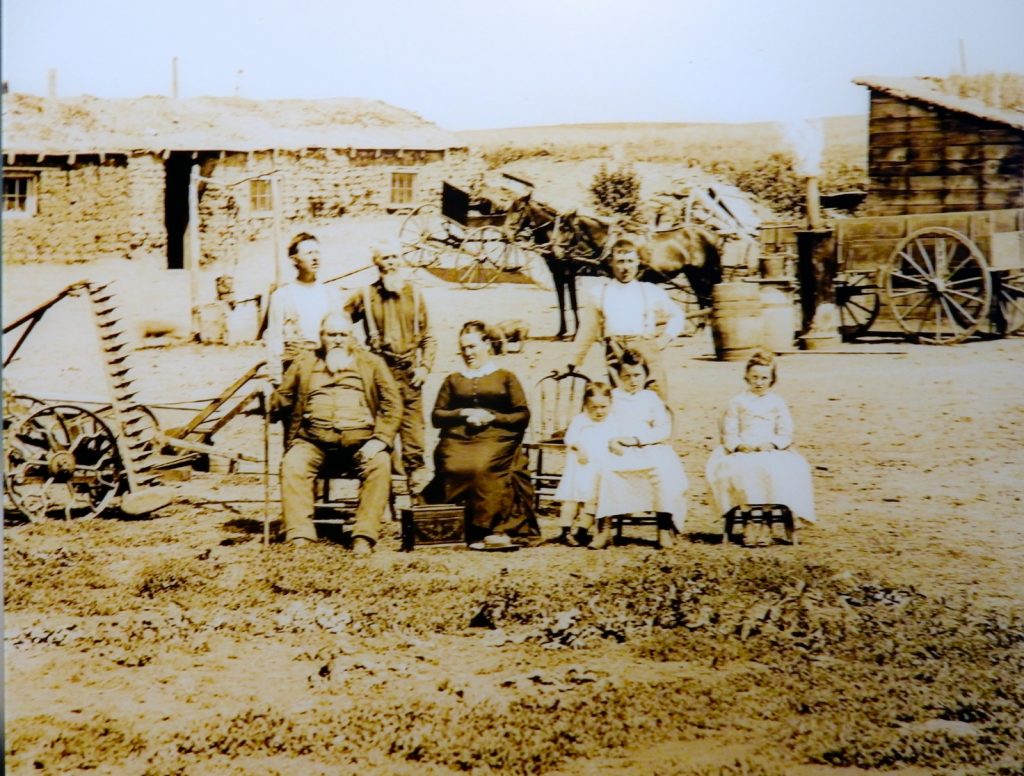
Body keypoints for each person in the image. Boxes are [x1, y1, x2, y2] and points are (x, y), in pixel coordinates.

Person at [270, 313, 402, 555]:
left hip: (360, 444)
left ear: (352, 337)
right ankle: (300, 534)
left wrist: (380, 440)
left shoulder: (371, 363)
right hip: (312, 442)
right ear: (321, 337)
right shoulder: (305, 362)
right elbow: (283, 399)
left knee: (380, 464)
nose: (338, 340)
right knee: (292, 464)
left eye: (343, 334)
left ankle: (363, 536)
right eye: (332, 334)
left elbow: (393, 404)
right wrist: (268, 391)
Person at [423, 321, 538, 547]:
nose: (468, 353)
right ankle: (458, 526)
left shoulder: (506, 377)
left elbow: (522, 415)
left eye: (472, 347)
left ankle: (490, 527)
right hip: (458, 438)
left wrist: (492, 416)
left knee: (481, 466)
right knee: (454, 465)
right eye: (463, 348)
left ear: (487, 344)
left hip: (498, 437)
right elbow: (437, 416)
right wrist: (462, 412)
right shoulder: (453, 380)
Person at [345, 242, 436, 493]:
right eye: (386, 258)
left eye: (396, 257)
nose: (392, 262)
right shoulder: (365, 295)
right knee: (379, 434)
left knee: (414, 437)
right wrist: (359, 354)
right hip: (379, 374)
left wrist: (425, 367)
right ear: (377, 263)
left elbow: (429, 336)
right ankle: (380, 496)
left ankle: (417, 501)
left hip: (410, 373)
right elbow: (339, 325)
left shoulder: (415, 294)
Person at [704, 350, 816, 536]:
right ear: (746, 377)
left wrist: (772, 444)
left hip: (770, 448)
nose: (759, 382)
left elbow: (785, 433)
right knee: (741, 469)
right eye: (754, 377)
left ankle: (766, 518)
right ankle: (749, 519)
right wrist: (738, 445)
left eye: (764, 378)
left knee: (780, 468)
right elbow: (729, 431)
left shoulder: (777, 402)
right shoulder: (737, 401)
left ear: (772, 380)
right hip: (744, 449)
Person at [590, 349, 689, 550]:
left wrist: (636, 439)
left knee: (662, 472)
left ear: (645, 375)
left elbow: (663, 429)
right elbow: (601, 422)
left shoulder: (651, 398)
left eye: (637, 375)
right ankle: (605, 529)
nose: (633, 381)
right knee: (608, 473)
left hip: (648, 446)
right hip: (617, 447)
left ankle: (663, 528)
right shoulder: (613, 397)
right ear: (619, 377)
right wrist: (613, 440)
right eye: (627, 376)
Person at [570, 237, 685, 401]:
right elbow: (586, 332)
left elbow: (677, 315)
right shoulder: (600, 293)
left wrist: (664, 340)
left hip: (647, 352)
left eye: (630, 261)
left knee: (655, 400)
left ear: (638, 262)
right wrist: (572, 363)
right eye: (621, 261)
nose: (625, 267)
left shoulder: (649, 291)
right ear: (611, 262)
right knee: (620, 403)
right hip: (615, 355)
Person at [264, 232, 345, 383]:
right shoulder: (281, 296)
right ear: (295, 260)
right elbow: (274, 338)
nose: (315, 258)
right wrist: (275, 378)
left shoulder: (332, 293)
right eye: (308, 253)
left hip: (327, 367)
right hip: (296, 370)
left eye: (317, 252)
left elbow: (342, 332)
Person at [553, 381, 616, 546]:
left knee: (592, 502)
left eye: (603, 406)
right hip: (580, 466)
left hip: (599, 469)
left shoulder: (612, 422)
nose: (599, 411)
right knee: (572, 499)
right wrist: (579, 447)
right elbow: (570, 437)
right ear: (585, 406)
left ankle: (582, 531)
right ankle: (565, 531)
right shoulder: (581, 420)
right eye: (593, 407)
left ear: (610, 404)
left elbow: (616, 440)